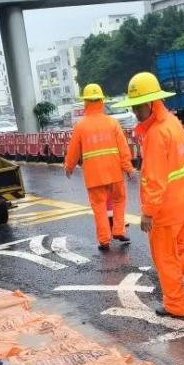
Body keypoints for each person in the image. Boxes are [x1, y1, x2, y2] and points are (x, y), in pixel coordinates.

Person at [115, 73, 184, 319]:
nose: (135, 112)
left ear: (152, 103)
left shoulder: (156, 134)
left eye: (139, 106)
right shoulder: (172, 123)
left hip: (166, 209)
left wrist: (148, 212)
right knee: (183, 246)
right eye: (133, 106)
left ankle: (174, 306)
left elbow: (154, 178)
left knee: (165, 258)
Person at [64, 83, 134, 250]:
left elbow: (73, 151)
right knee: (118, 200)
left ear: (86, 102)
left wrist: (69, 167)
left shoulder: (81, 126)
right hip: (115, 172)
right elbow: (123, 148)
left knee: (99, 207)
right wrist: (128, 168)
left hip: (94, 175)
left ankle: (104, 240)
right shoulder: (112, 123)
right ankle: (119, 230)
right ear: (102, 101)